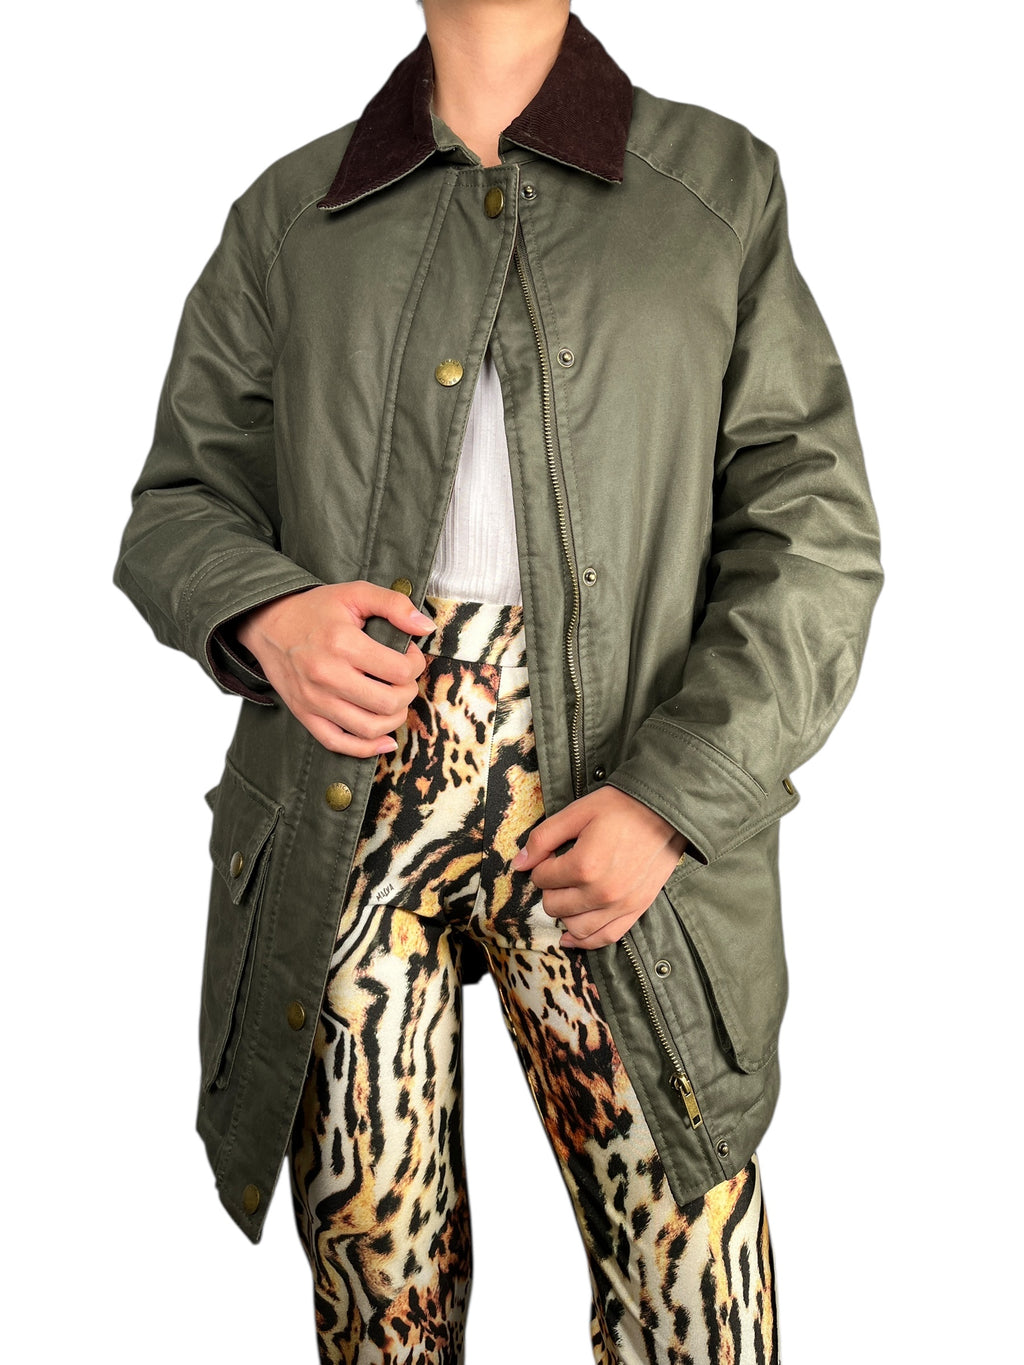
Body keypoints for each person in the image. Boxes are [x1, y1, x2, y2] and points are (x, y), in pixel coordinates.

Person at [114, 1, 882, 1359]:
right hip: (347, 795)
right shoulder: (291, 214)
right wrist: (273, 617)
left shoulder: (713, 190)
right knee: (376, 1279)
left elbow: (813, 537)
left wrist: (676, 798)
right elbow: (177, 506)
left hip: (616, 792)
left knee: (686, 1275)